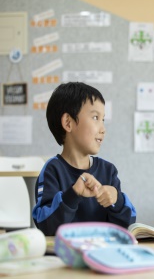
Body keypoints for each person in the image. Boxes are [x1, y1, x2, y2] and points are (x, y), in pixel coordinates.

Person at [32, 82, 136, 236]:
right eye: (95, 117)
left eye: (103, 120)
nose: (103, 129)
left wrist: (117, 200)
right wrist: (74, 194)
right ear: (68, 122)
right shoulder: (52, 170)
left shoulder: (108, 171)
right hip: (64, 256)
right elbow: (45, 226)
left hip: (102, 255)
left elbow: (127, 225)